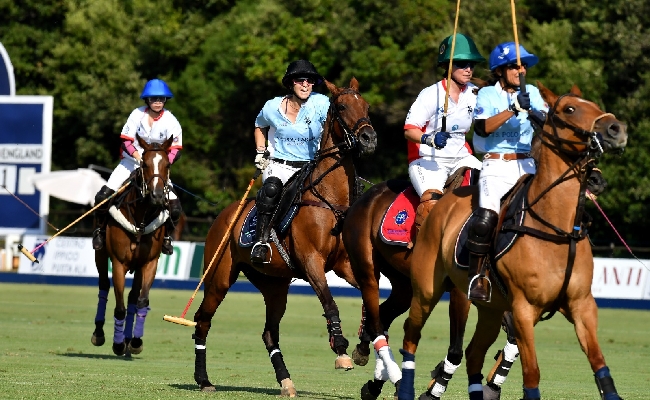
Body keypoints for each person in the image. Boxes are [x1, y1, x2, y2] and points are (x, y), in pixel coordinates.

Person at [466, 42, 548, 301]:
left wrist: (531, 108)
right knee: (487, 218)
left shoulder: (532, 91)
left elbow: (547, 124)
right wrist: (512, 109)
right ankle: (479, 276)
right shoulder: (488, 95)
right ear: (500, 70)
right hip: (496, 165)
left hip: (527, 163)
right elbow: (482, 128)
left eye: (523, 65)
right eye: (514, 65)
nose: (521, 70)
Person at [404, 33, 485, 244]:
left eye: (471, 64)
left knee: (493, 186)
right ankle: (424, 253)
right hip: (428, 159)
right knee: (431, 204)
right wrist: (429, 139)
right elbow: (409, 130)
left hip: (461, 157)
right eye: (462, 64)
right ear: (448, 66)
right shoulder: (431, 94)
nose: (469, 69)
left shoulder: (475, 93)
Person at [250, 59, 330, 264]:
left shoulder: (321, 103)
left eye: (310, 80)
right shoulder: (272, 107)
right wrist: (261, 151)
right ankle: (261, 241)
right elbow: (260, 126)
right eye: (300, 80)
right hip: (279, 164)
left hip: (311, 165)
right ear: (290, 83)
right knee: (270, 190)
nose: (305, 84)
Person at [92, 79, 183, 256]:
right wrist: (139, 158)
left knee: (176, 207)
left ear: (165, 100)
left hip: (156, 169)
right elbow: (126, 141)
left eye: (161, 98)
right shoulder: (136, 115)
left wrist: (163, 165)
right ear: (147, 100)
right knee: (102, 197)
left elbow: (176, 149)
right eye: (154, 98)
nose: (157, 101)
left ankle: (166, 238)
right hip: (130, 163)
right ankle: (100, 232)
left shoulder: (171, 121)